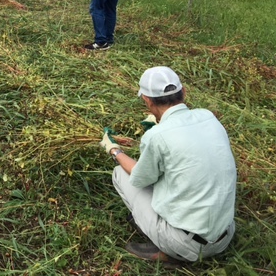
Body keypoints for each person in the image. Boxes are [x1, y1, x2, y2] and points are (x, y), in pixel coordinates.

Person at [99, 66, 236, 267]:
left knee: (121, 173)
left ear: (147, 100)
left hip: (187, 244)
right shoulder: (208, 117)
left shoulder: (156, 136)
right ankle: (172, 238)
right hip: (224, 236)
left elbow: (139, 178)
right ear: (184, 92)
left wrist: (114, 150)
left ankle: (167, 248)